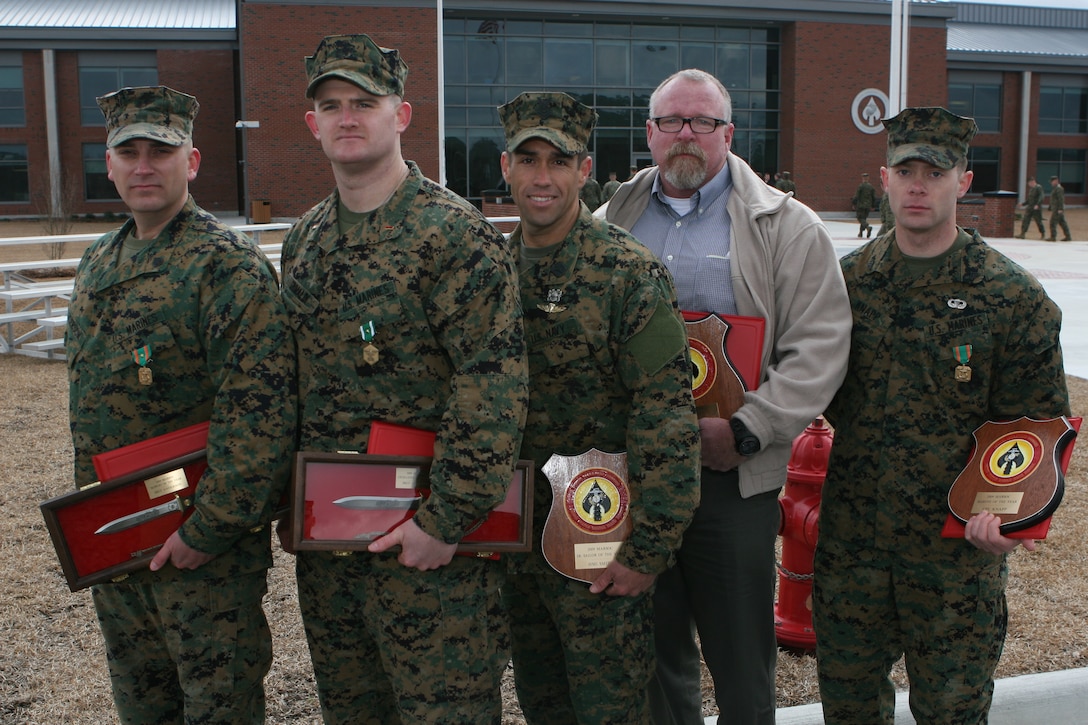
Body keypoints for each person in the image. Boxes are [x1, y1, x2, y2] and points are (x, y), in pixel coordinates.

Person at [278, 34, 529, 723]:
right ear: (313, 123)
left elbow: (492, 391)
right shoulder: (306, 241)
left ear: (402, 115)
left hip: (433, 554)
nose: (347, 117)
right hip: (331, 552)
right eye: (332, 105)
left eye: (364, 102)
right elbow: (290, 388)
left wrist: (444, 522)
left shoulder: (453, 236)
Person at [598, 68, 852, 725]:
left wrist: (748, 429)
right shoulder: (609, 221)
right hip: (636, 478)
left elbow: (820, 345)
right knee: (654, 660)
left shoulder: (787, 227)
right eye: (672, 121)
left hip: (732, 481)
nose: (687, 134)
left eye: (702, 122)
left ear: (728, 133)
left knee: (742, 663)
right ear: (649, 133)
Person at [813, 107, 1070, 724]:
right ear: (884, 179)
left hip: (955, 556)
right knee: (848, 710)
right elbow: (807, 386)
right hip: (854, 547)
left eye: (935, 172)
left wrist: (1008, 519)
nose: (918, 186)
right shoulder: (845, 284)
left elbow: (1035, 427)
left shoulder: (1010, 296)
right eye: (906, 171)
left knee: (952, 713)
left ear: (964, 182)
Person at [66, 86, 297, 722]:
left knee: (217, 706)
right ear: (109, 165)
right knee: (142, 702)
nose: (144, 166)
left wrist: (209, 529)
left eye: (160, 152)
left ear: (191, 162)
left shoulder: (225, 268)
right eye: (129, 153)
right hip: (119, 538)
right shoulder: (98, 262)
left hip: (200, 551)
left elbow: (260, 417)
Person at [498, 91, 701, 724]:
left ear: (585, 170)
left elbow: (667, 419)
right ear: (505, 167)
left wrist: (649, 551)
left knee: (610, 711)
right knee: (543, 704)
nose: (542, 177)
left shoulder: (626, 273)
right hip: (510, 541)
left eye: (559, 161)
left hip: (598, 541)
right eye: (527, 159)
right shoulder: (489, 271)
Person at [1016, 175, 1045, 239]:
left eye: (1029, 183)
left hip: (1036, 208)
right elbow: (1029, 200)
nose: (1029, 185)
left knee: (1038, 221)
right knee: (1025, 220)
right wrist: (1022, 204)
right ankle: (1022, 233)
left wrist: (1037, 204)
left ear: (1032, 181)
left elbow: (1041, 197)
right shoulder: (1031, 189)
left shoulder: (1039, 188)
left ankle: (1043, 234)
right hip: (1030, 207)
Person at [852, 172, 878, 238]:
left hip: (861, 205)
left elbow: (857, 196)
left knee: (860, 218)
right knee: (864, 218)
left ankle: (867, 227)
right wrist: (873, 205)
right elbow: (874, 197)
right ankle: (860, 233)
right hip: (868, 206)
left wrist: (854, 203)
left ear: (863, 178)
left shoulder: (861, 186)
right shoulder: (871, 187)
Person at [1048, 174, 1072, 241]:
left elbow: (1061, 199)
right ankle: (1068, 236)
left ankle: (1053, 237)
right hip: (1056, 208)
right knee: (1062, 222)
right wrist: (1050, 207)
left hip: (1057, 209)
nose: (1051, 183)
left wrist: (1060, 208)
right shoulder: (1056, 188)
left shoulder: (1059, 189)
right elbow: (1054, 199)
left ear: (1056, 181)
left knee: (1053, 223)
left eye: (1052, 181)